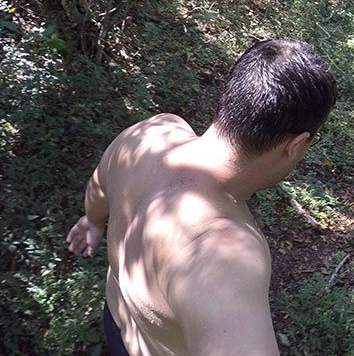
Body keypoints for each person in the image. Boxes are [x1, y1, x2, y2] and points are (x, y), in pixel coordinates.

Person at [66, 39, 337, 356]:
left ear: (231, 96)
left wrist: (92, 221)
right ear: (296, 144)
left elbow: (99, 187)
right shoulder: (224, 256)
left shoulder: (150, 133)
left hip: (115, 316)